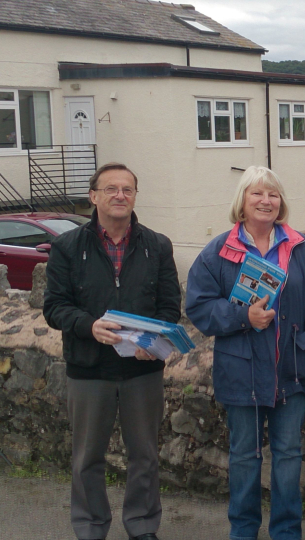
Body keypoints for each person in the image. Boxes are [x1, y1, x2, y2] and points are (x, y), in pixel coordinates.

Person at [186, 166, 305, 540]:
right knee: (244, 459)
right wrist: (243, 317)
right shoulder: (218, 251)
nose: (266, 201)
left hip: (292, 371)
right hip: (242, 372)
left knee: (287, 457)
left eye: (273, 194)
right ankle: (244, 532)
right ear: (242, 201)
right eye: (257, 194)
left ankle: (286, 532)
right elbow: (199, 308)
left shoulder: (302, 247)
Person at [43, 162, 181, 540]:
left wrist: (153, 344)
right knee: (87, 458)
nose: (120, 195)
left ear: (135, 196)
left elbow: (170, 307)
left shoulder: (157, 244)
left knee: (145, 457)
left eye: (127, 189)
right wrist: (89, 326)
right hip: (88, 368)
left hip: (142, 370)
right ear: (93, 196)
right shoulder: (66, 246)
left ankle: (142, 525)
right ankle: (90, 527)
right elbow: (54, 306)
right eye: (110, 189)